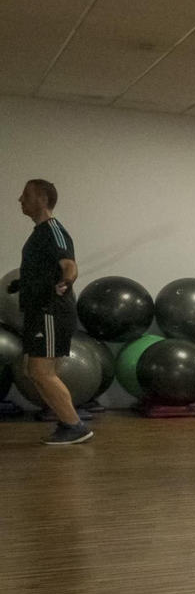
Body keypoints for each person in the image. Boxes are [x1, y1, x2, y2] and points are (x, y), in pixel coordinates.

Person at [11, 180, 91, 444]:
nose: (20, 199)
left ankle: (75, 425)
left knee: (41, 371)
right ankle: (69, 423)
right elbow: (43, 270)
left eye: (26, 195)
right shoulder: (38, 233)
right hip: (39, 310)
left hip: (50, 311)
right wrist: (22, 283)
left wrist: (67, 281)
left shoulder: (53, 230)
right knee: (33, 371)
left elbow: (69, 264)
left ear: (43, 199)